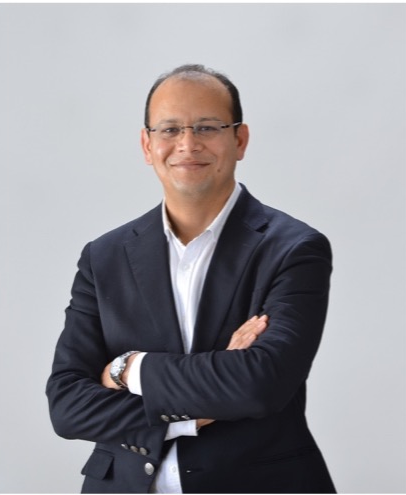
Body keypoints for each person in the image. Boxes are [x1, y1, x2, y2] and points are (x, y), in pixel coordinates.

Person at [46, 64, 336, 494]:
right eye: (169, 130)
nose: (187, 144)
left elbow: (260, 384)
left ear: (240, 140)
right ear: (147, 145)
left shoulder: (294, 248)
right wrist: (196, 412)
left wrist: (128, 369)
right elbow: (67, 405)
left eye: (207, 127)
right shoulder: (103, 256)